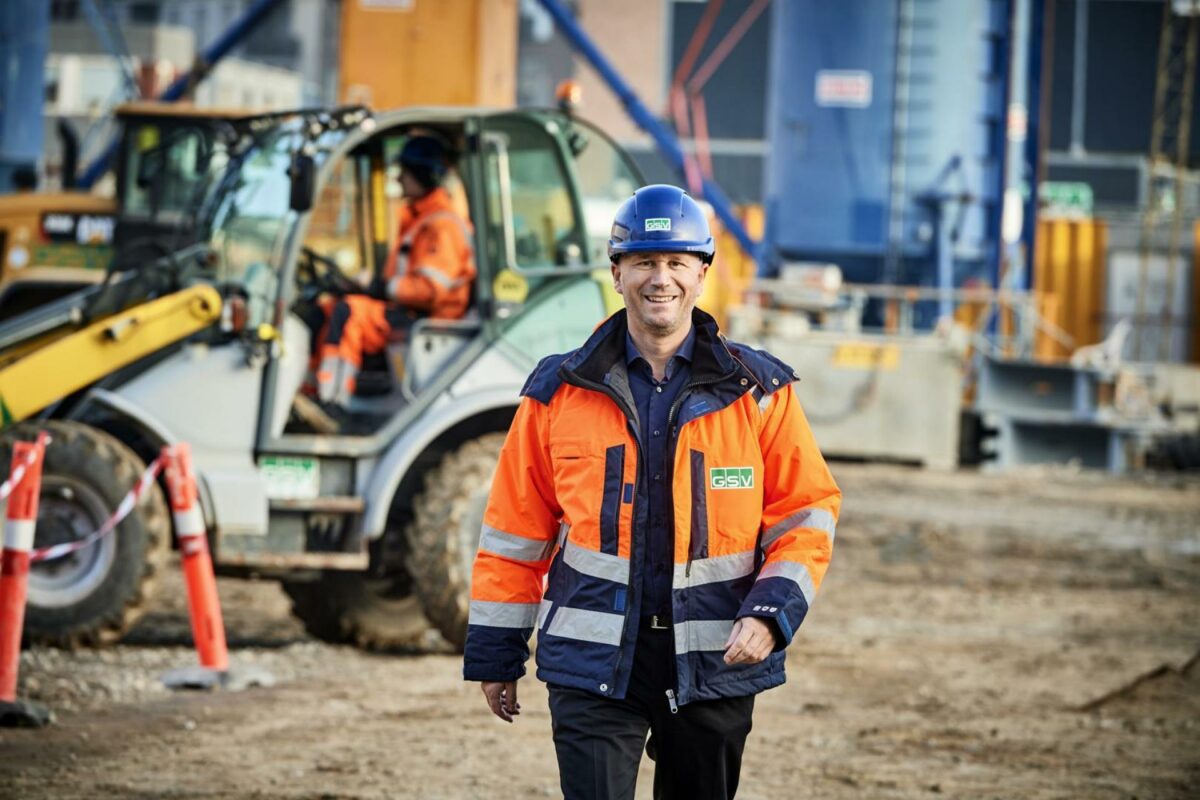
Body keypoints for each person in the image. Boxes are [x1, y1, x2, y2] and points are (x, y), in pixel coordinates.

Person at [463, 184, 841, 799]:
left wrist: (772, 613)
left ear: (701, 273)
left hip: (716, 660)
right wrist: (496, 651)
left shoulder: (759, 392)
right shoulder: (558, 392)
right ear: (616, 273)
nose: (659, 278)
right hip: (594, 662)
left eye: (675, 262)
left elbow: (806, 514)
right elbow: (515, 528)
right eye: (642, 261)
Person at [314, 135, 476, 408]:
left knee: (350, 313)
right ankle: (314, 387)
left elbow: (429, 291)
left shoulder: (442, 226)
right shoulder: (419, 218)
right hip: (410, 313)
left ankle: (333, 399)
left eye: (405, 173)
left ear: (424, 176)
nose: (398, 179)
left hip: (429, 322)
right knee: (327, 309)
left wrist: (380, 287)